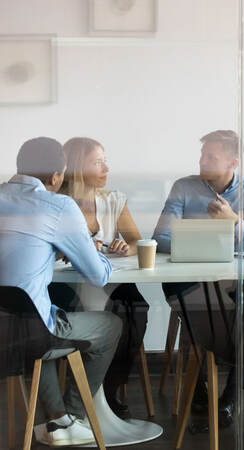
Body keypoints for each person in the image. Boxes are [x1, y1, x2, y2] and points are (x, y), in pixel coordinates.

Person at [0, 137, 121, 447]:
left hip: (6, 327)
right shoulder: (58, 205)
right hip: (32, 332)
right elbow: (97, 276)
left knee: (42, 315)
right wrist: (97, 252)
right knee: (110, 325)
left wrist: (51, 251)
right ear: (55, 176)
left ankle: (57, 420)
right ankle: (76, 418)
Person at [152, 130, 244, 428]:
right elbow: (160, 238)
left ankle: (230, 398)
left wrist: (232, 221)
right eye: (202, 155)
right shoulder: (184, 187)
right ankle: (199, 388)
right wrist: (201, 240)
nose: (202, 161)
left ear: (233, 161)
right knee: (205, 307)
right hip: (188, 280)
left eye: (211, 157)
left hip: (232, 282)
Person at [50, 137, 148, 420]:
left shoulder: (113, 200)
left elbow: (136, 241)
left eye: (106, 160)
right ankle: (81, 397)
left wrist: (122, 247)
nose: (107, 168)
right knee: (96, 316)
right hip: (66, 287)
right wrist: (72, 250)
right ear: (79, 166)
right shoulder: (55, 203)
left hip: (110, 281)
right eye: (98, 162)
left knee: (135, 311)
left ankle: (108, 391)